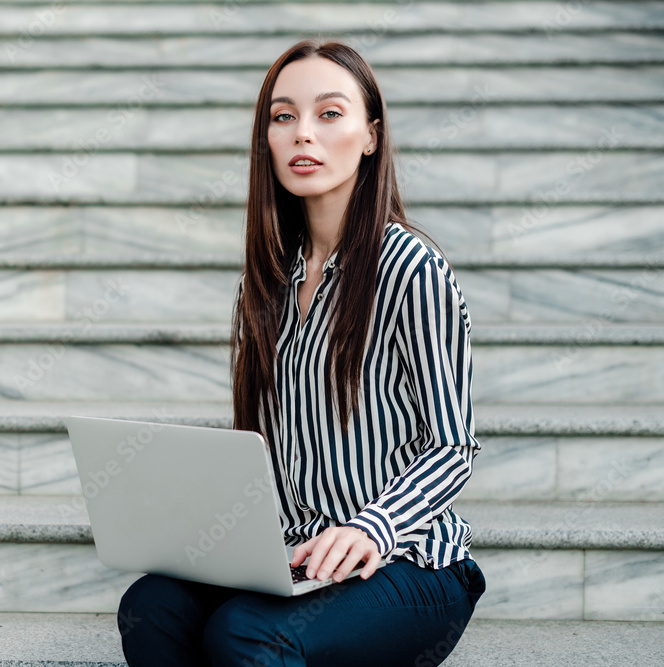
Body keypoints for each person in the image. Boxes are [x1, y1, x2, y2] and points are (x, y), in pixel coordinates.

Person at [117, 38, 487, 666]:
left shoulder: (410, 268)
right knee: (150, 606)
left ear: (371, 136)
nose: (302, 135)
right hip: (298, 555)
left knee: (245, 633)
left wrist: (371, 526)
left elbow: (454, 446)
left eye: (330, 113)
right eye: (283, 117)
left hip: (410, 565)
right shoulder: (267, 281)